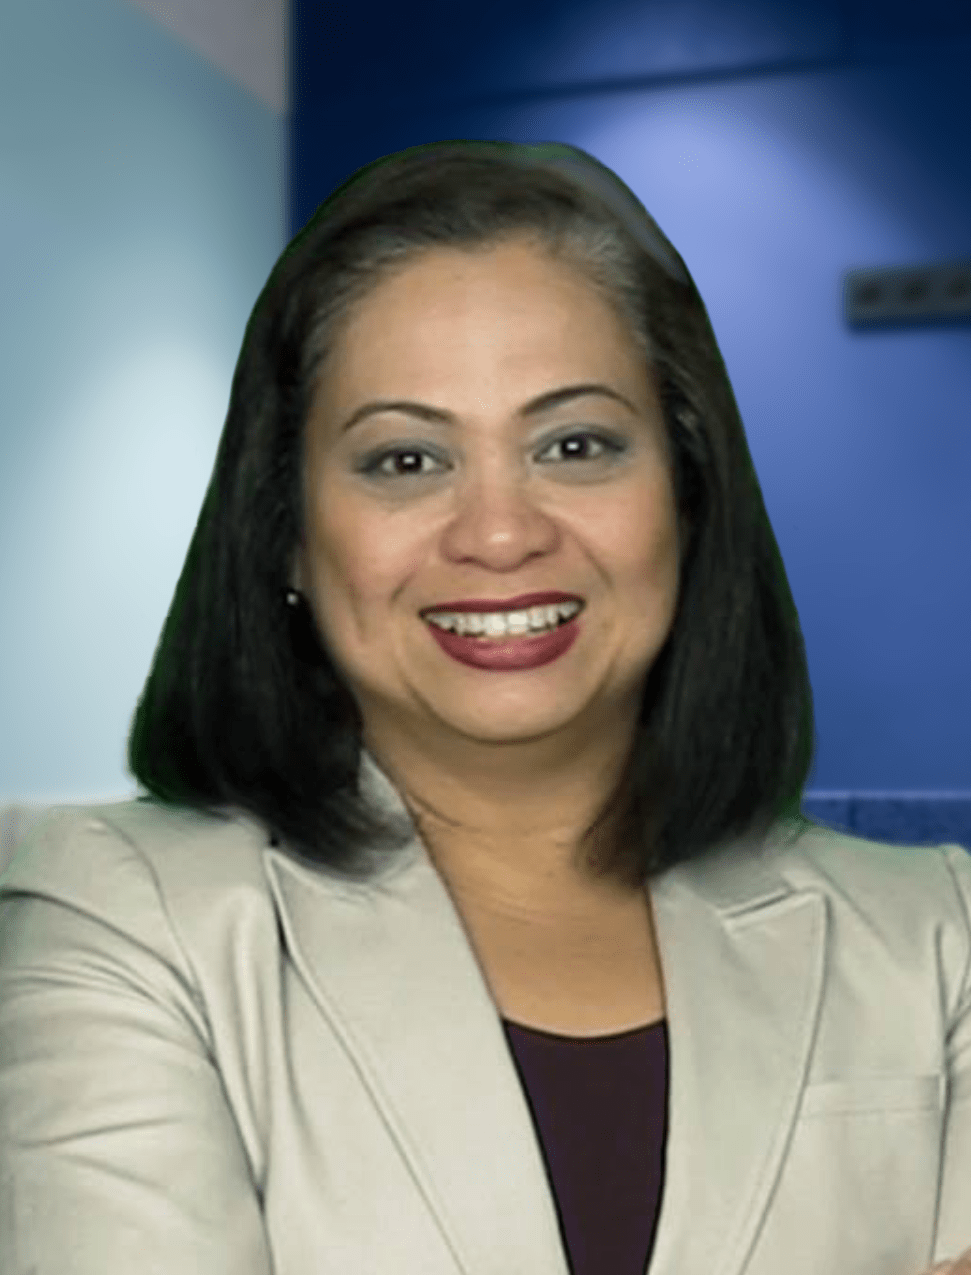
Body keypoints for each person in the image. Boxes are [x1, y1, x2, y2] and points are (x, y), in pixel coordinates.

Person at [0, 138, 968, 1275]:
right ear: (287, 534)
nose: (501, 534)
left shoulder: (937, 936)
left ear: (687, 495)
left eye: (574, 445)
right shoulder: (119, 917)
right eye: (405, 461)